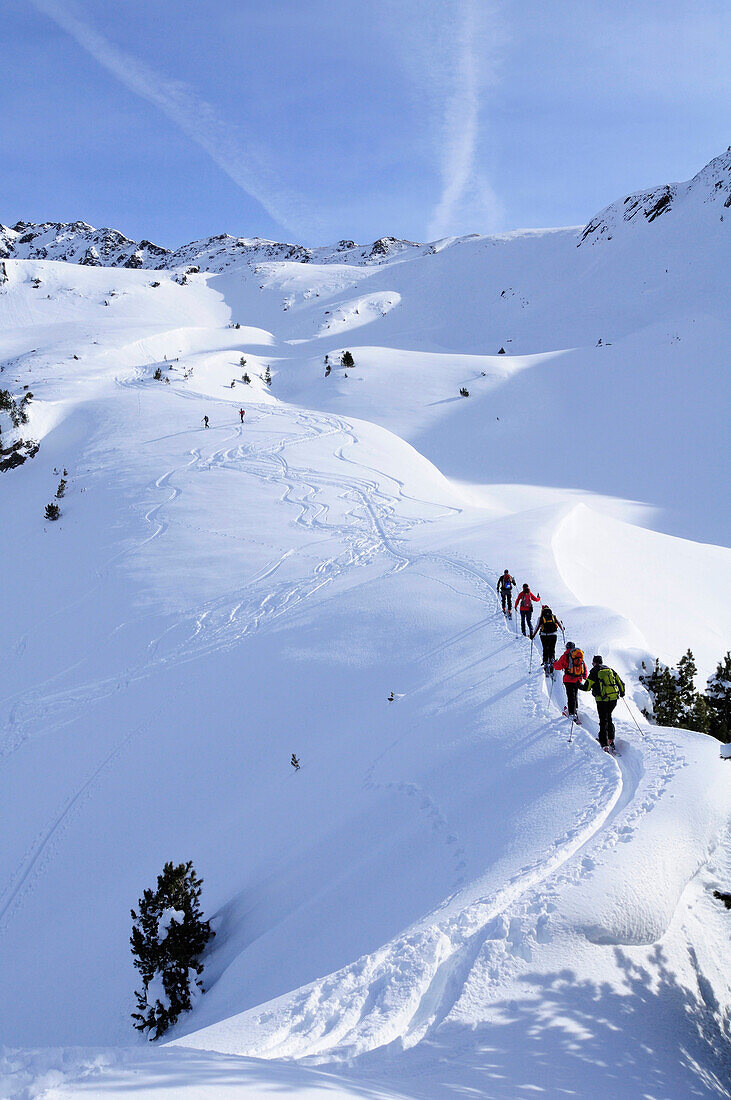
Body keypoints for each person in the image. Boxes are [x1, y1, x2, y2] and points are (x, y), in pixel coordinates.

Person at [580, 655, 625, 750]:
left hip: (602, 699)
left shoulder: (594, 671)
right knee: (609, 716)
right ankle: (611, 739)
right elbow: (621, 682)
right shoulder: (610, 670)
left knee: (603, 720)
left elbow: (586, 687)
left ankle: (604, 743)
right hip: (613, 698)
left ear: (594, 663)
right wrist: (622, 693)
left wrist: (577, 685)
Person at [554, 642, 587, 718]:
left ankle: (572, 713)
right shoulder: (579, 654)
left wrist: (554, 664)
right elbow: (583, 665)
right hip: (578, 679)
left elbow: (558, 666)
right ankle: (575, 709)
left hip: (568, 679)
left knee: (570, 696)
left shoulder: (566, 656)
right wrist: (584, 676)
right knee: (574, 694)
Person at [531, 605, 563, 673]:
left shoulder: (541, 618)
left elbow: (537, 627)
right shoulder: (553, 616)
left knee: (545, 649)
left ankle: (545, 662)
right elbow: (559, 624)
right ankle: (552, 661)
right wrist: (562, 629)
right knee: (552, 648)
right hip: (553, 635)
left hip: (544, 635)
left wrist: (533, 635)